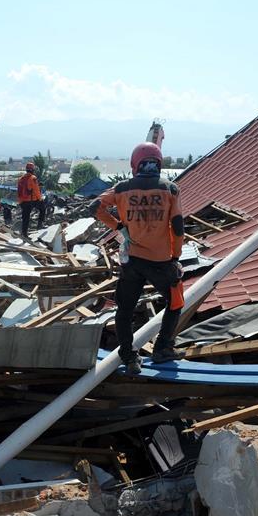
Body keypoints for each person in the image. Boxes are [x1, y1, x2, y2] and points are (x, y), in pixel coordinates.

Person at [90, 142, 185, 374]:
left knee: (125, 309)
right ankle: (163, 348)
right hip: (162, 261)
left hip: (131, 261)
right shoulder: (170, 189)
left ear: (135, 163)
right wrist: (176, 255)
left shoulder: (122, 189)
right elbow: (178, 227)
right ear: (159, 163)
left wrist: (118, 227)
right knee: (175, 303)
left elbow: (95, 206)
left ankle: (129, 357)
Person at [17, 162, 44, 237]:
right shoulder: (33, 178)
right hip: (31, 201)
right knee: (42, 209)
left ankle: (24, 233)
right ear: (33, 169)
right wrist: (40, 199)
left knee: (25, 218)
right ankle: (40, 224)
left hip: (22, 201)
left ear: (26, 169)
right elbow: (36, 190)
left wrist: (20, 201)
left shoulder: (20, 178)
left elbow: (19, 191)